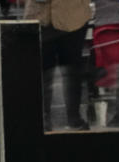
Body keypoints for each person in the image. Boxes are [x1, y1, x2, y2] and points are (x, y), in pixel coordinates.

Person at [24, 0, 92, 130]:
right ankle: (44, 118)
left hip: (74, 16)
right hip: (40, 17)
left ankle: (74, 118)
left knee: (72, 72)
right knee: (42, 73)